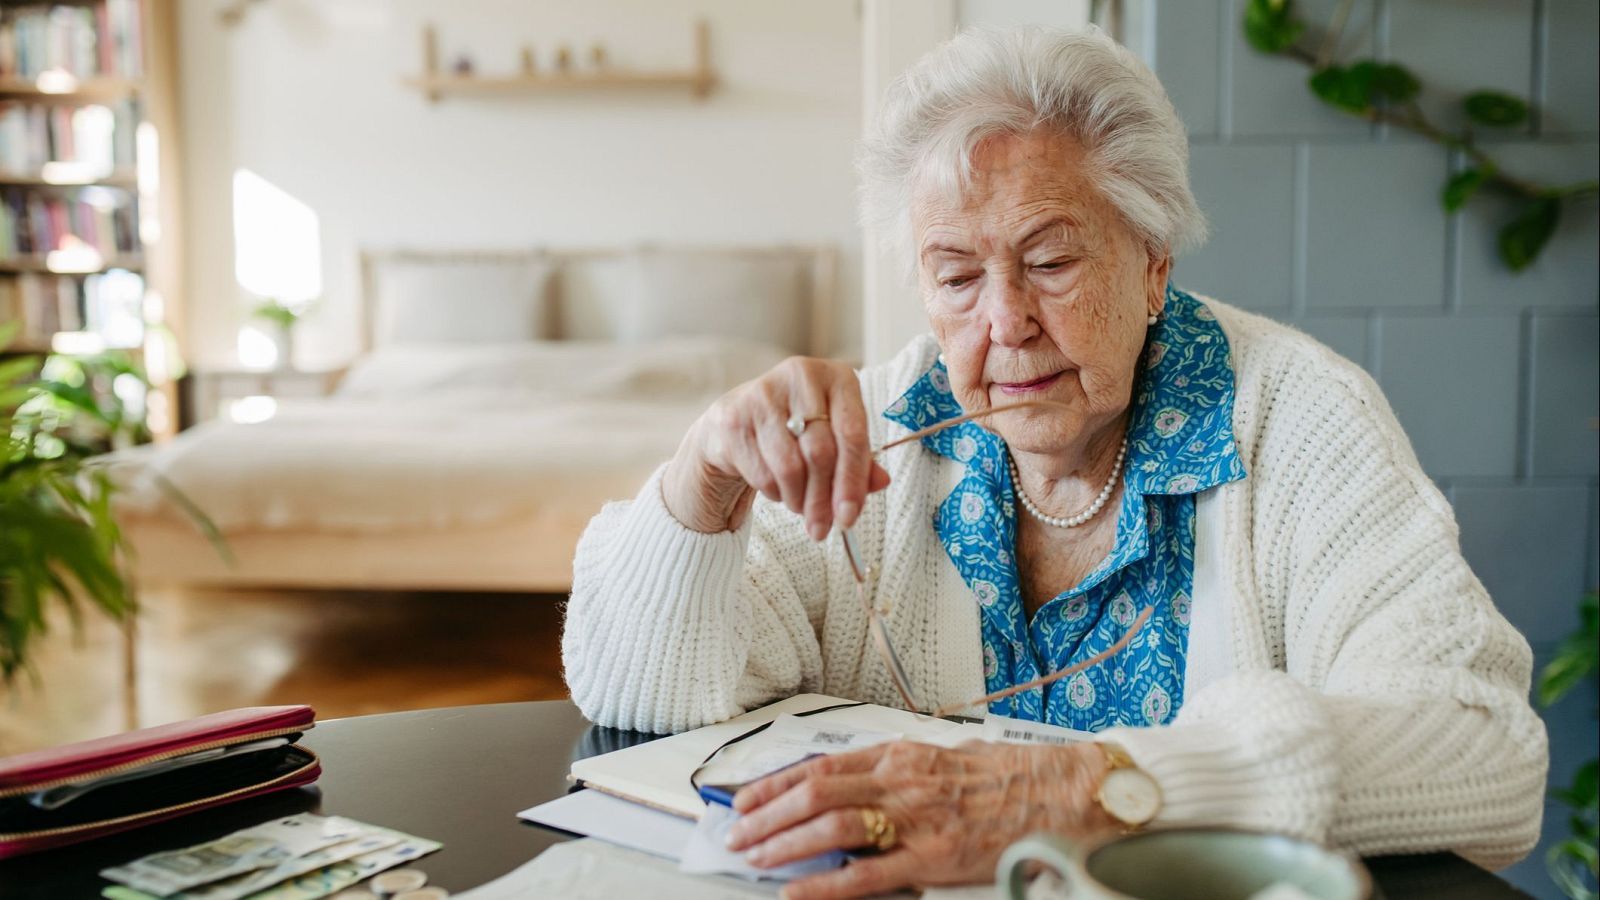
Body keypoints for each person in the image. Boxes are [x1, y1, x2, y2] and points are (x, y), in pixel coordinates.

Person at [562, 25, 1547, 900]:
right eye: (955, 275)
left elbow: (1482, 753)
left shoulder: (1294, 419)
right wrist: (697, 490)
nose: (1004, 323)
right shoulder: (881, 437)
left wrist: (1101, 787)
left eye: (1049, 261)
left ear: (1153, 259)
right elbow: (641, 699)